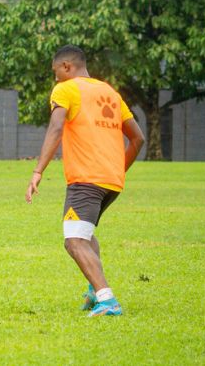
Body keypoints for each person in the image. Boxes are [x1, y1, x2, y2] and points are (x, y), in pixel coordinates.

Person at [25, 45, 145, 317]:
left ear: (66, 67)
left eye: (56, 72)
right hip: (111, 182)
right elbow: (138, 138)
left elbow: (56, 128)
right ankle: (94, 289)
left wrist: (37, 172)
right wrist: (118, 170)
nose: (55, 79)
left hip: (87, 180)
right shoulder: (110, 93)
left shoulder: (65, 89)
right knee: (85, 233)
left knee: (74, 241)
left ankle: (107, 300)